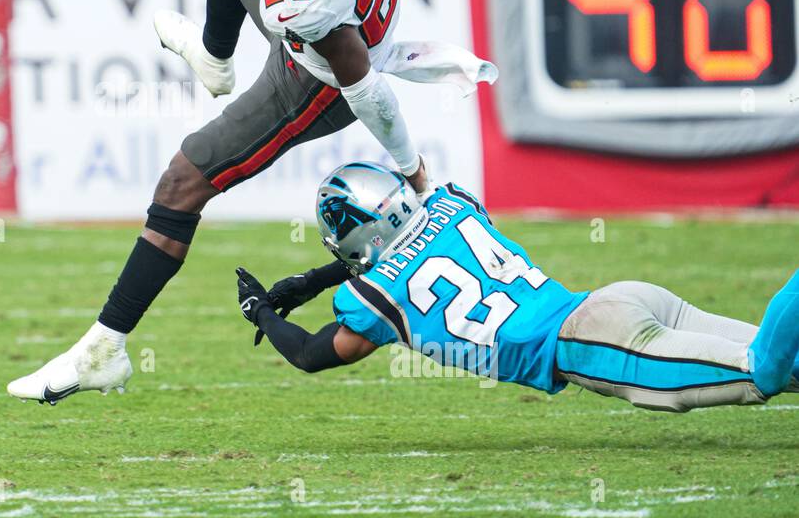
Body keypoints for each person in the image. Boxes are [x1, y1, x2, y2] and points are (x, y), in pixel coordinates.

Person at [7, 0, 496, 404]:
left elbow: (367, 91)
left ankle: (105, 348)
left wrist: (415, 171)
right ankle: (215, 60)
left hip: (315, 78)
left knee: (182, 184)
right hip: (344, 8)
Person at [233, 161, 799, 414]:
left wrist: (262, 311)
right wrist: (309, 282)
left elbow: (311, 354)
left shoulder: (371, 299)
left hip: (588, 342)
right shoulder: (451, 202)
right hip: (620, 300)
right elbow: (408, 248)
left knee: (764, 371)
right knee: (792, 366)